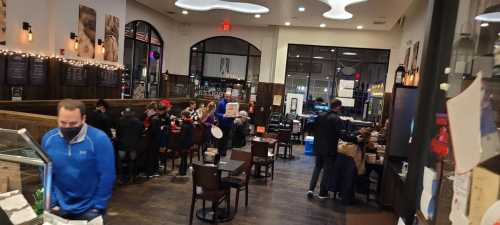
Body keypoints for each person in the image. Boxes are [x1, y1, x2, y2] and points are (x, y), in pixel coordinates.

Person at [41, 99, 115, 221]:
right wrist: (52, 200)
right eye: (63, 123)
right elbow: (45, 172)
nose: (67, 127)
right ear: (57, 119)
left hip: (90, 208)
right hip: (59, 206)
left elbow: (107, 175)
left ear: (83, 119)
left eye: (73, 123)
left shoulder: (99, 139)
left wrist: (98, 206)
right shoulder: (49, 139)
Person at [307, 99, 345, 199]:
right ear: (338, 107)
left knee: (317, 168)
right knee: (327, 171)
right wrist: (354, 138)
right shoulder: (336, 119)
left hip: (318, 147)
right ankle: (322, 193)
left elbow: (312, 128)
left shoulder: (320, 116)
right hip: (329, 149)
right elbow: (342, 135)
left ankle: (310, 190)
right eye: (340, 107)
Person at [115, 108, 144, 183]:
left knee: (121, 161)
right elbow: (141, 133)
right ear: (133, 113)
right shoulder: (138, 122)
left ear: (124, 113)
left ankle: (121, 178)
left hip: (122, 144)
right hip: (133, 145)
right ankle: (131, 177)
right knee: (132, 161)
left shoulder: (120, 121)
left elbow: (118, 133)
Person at [143, 102, 161, 178]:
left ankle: (149, 173)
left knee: (150, 156)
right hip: (156, 140)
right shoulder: (156, 117)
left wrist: (146, 131)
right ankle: (155, 171)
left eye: (148, 110)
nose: (147, 112)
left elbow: (152, 131)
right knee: (155, 156)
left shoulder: (153, 119)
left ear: (152, 110)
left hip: (152, 141)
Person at [215, 92, 235, 157]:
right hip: (222, 124)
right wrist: (223, 115)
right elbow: (216, 113)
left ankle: (224, 152)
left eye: (229, 97)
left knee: (226, 139)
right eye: (226, 96)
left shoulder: (232, 104)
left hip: (229, 124)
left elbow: (234, 113)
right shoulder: (221, 103)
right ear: (224, 96)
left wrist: (235, 115)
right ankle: (219, 152)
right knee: (221, 138)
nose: (228, 98)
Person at [178, 110, 194, 176]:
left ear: (184, 116)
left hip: (184, 143)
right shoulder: (190, 123)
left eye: (181, 116)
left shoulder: (184, 125)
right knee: (184, 157)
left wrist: (179, 144)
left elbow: (182, 137)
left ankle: (182, 172)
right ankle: (183, 170)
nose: (181, 117)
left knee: (183, 158)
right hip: (189, 143)